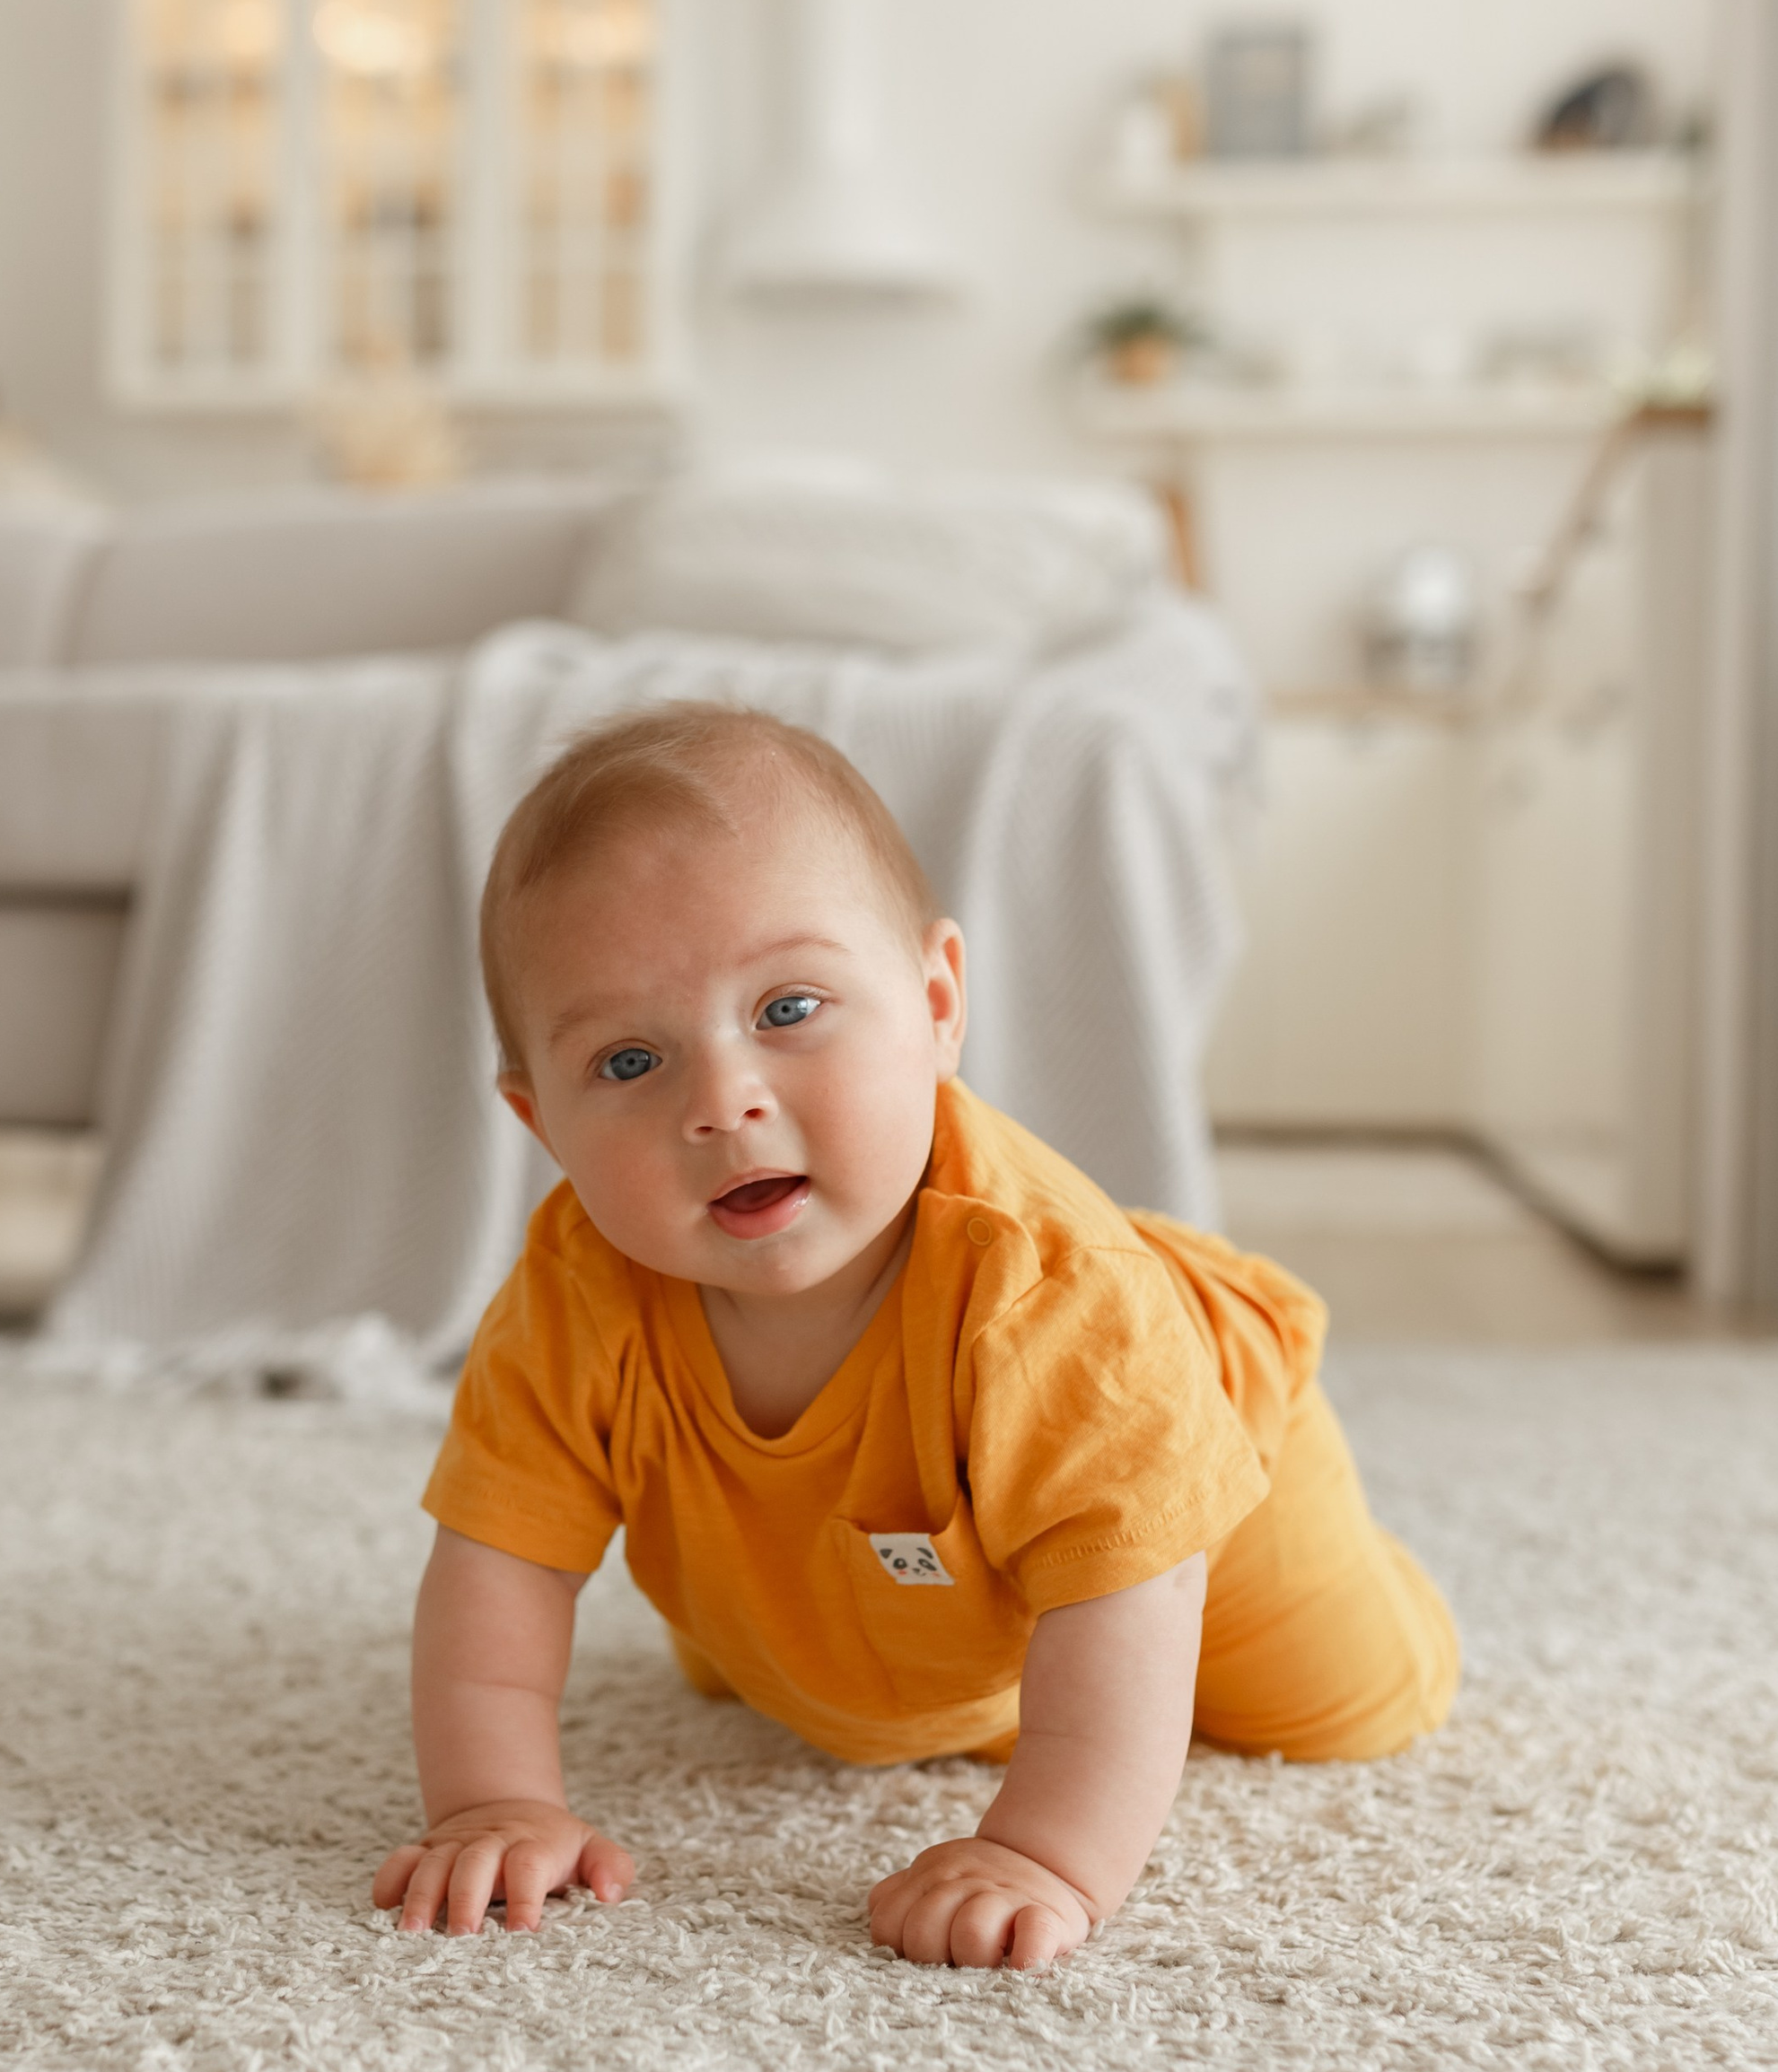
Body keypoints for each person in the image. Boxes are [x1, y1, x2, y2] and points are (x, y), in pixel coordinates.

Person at [373, 704, 1458, 1973]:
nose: (724, 1102)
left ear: (938, 1004)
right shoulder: (574, 1292)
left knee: (1348, 1705)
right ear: (540, 1123)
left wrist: (1048, 1856)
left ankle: (1285, 1621)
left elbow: (1132, 1595)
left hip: (1197, 1482)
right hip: (868, 1585)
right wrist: (494, 1805)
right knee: (804, 1660)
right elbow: (500, 1566)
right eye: (627, 1062)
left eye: (787, 1007)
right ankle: (966, 1678)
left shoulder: (1048, 1296)